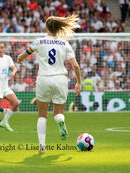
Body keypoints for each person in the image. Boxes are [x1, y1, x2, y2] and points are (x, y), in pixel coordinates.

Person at [17, 14, 81, 153]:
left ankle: (42, 147)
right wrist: (78, 83)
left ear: (46, 27)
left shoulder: (39, 42)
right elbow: (75, 66)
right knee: (58, 112)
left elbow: (22, 56)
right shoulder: (65, 43)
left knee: (42, 115)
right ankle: (60, 120)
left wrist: (19, 60)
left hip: (44, 79)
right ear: (58, 28)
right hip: (60, 79)